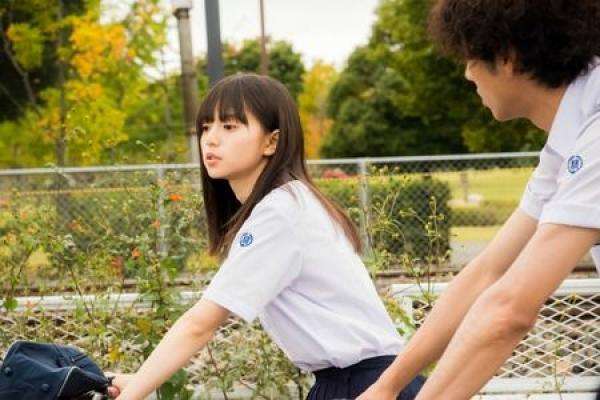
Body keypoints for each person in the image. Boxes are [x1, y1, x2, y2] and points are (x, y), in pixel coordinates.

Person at [107, 73, 424, 400]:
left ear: (271, 142)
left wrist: (134, 394)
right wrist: (139, 380)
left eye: (229, 126)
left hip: (364, 386)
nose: (211, 139)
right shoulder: (288, 203)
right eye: (206, 127)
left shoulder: (280, 212)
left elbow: (201, 324)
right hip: (354, 382)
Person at [358, 1, 600, 399]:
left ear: (506, 57)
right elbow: (488, 272)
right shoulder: (570, 139)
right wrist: (386, 387)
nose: (468, 74)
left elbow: (510, 310)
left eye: (471, 59)